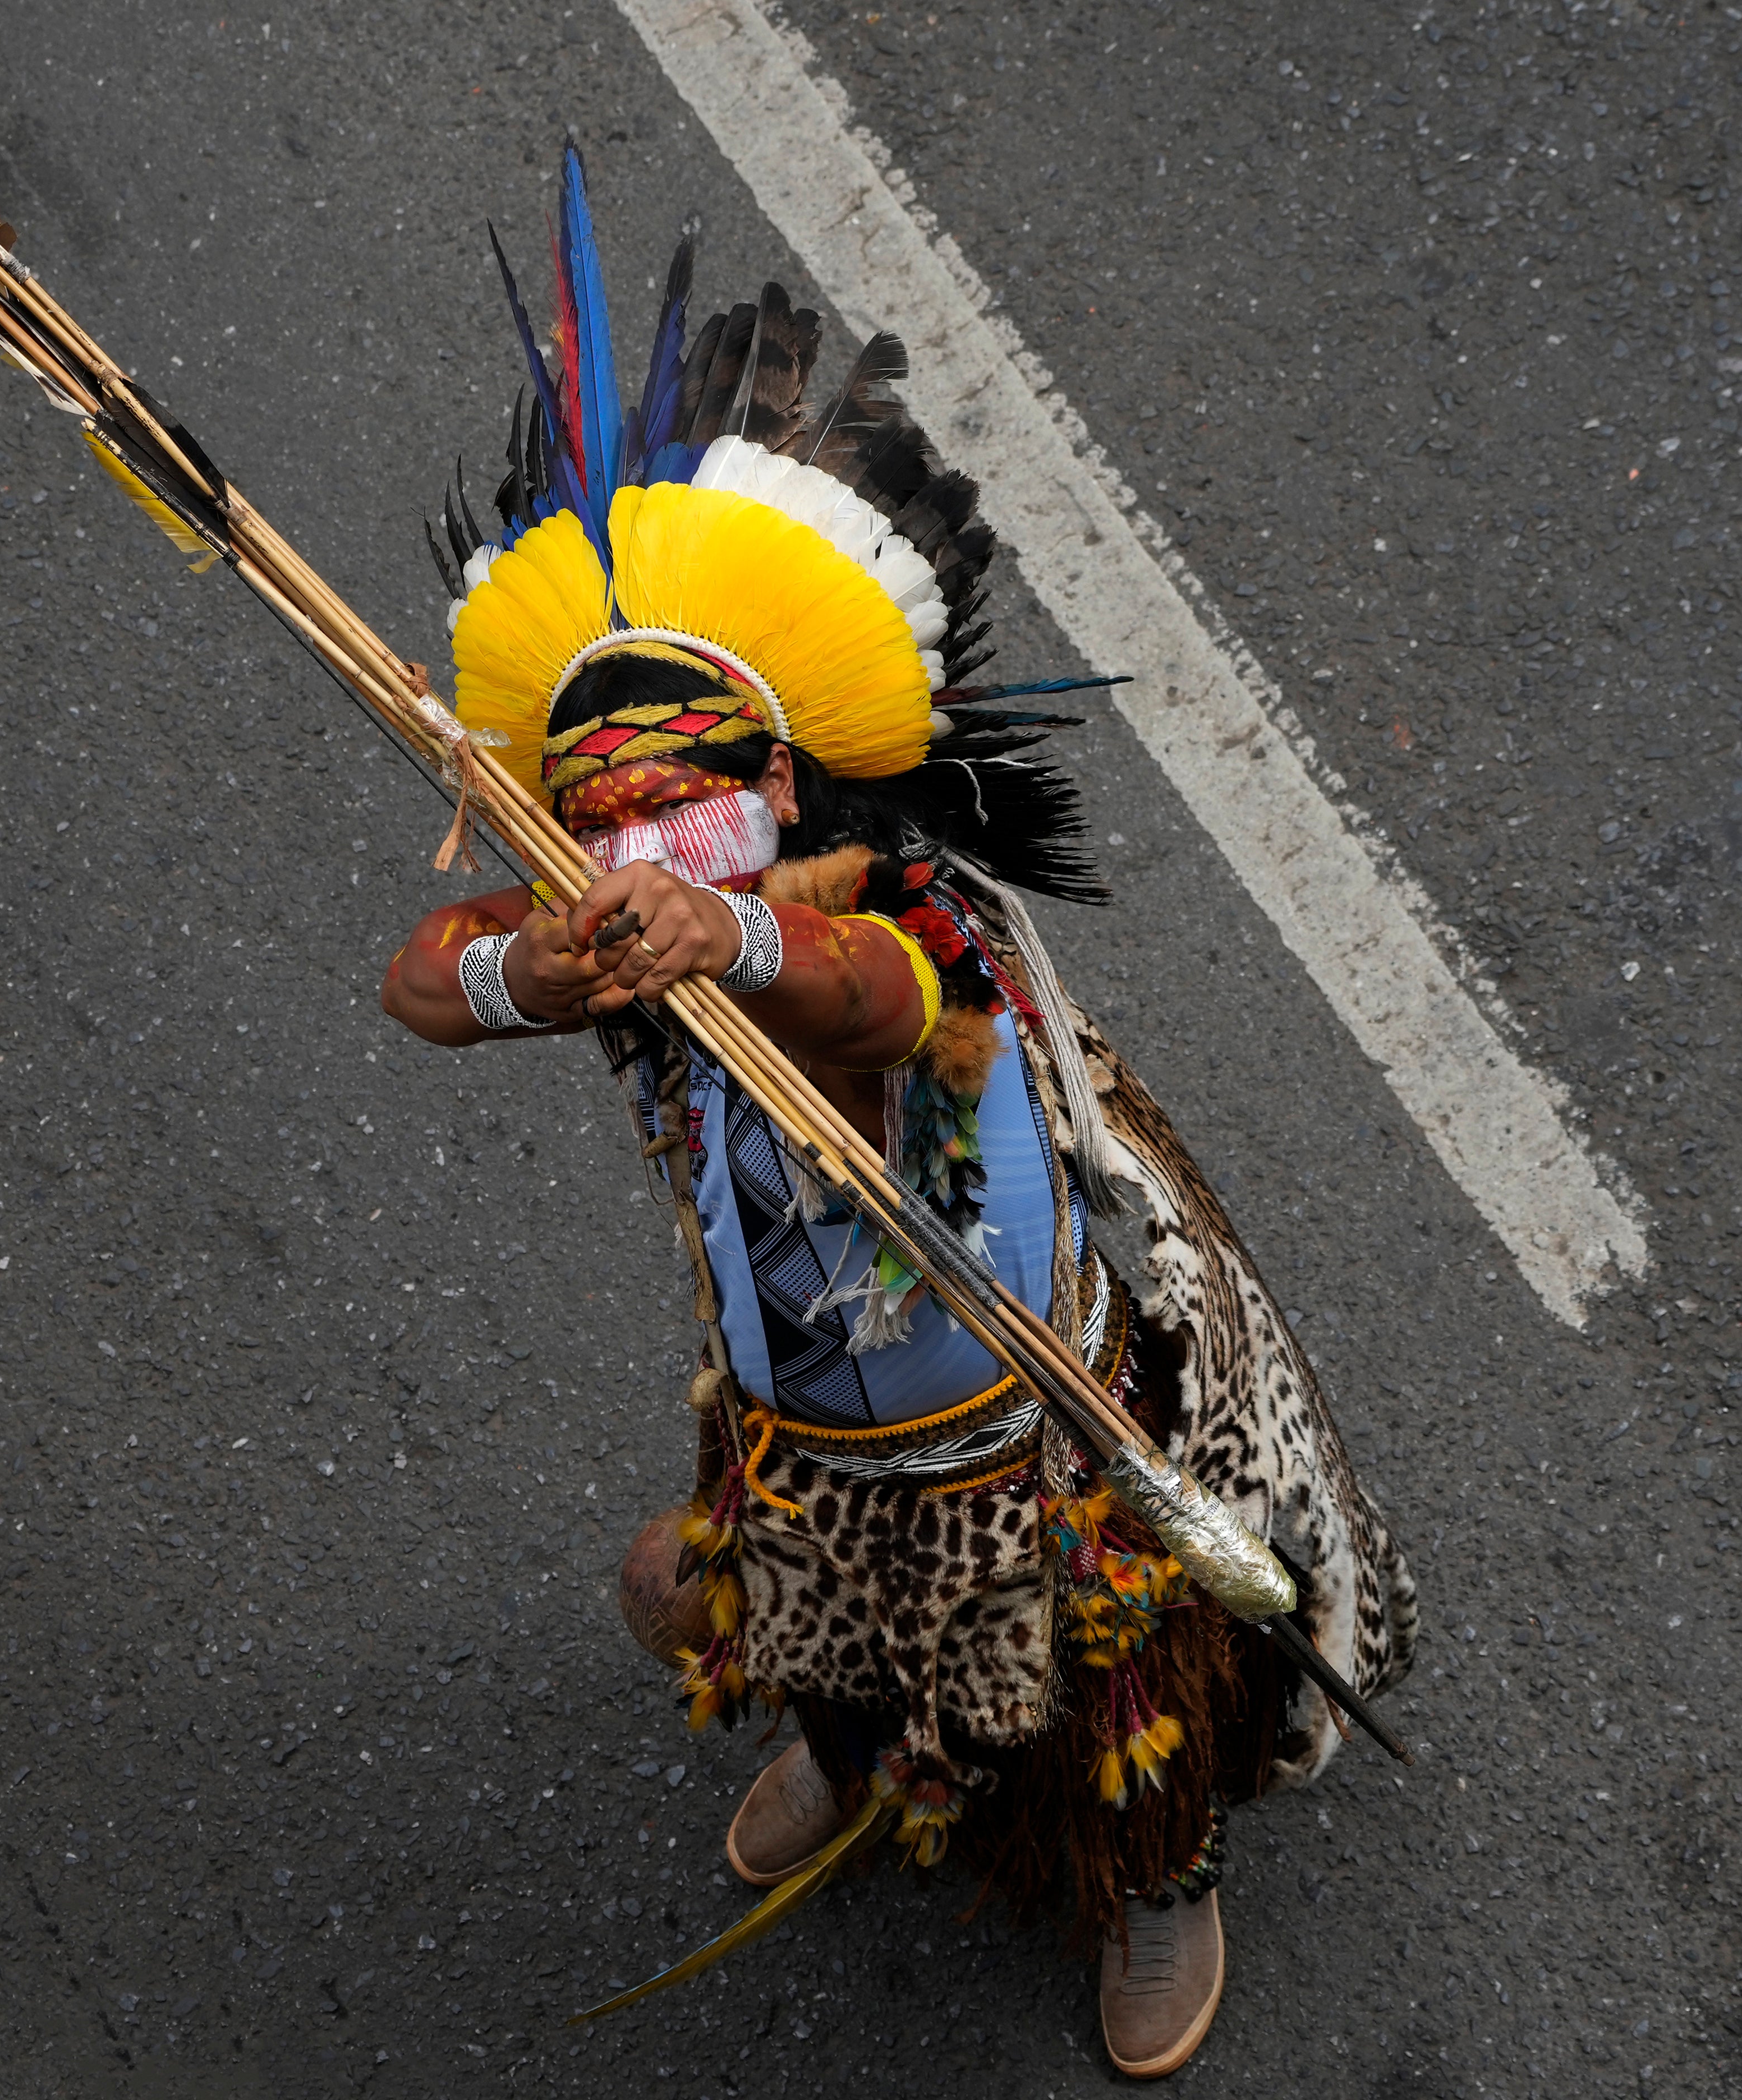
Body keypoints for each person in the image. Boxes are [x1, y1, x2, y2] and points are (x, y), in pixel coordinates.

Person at [379, 156, 1414, 2079]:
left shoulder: (907, 931)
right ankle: (851, 1753)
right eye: (596, 820)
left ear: (778, 779)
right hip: (805, 1422)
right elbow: (425, 980)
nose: (634, 849)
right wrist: (548, 964)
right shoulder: (623, 942)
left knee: (1116, 1705)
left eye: (678, 807)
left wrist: (730, 928)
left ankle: (1163, 1881)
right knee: (731, 1603)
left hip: (1025, 1421)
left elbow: (871, 1008)